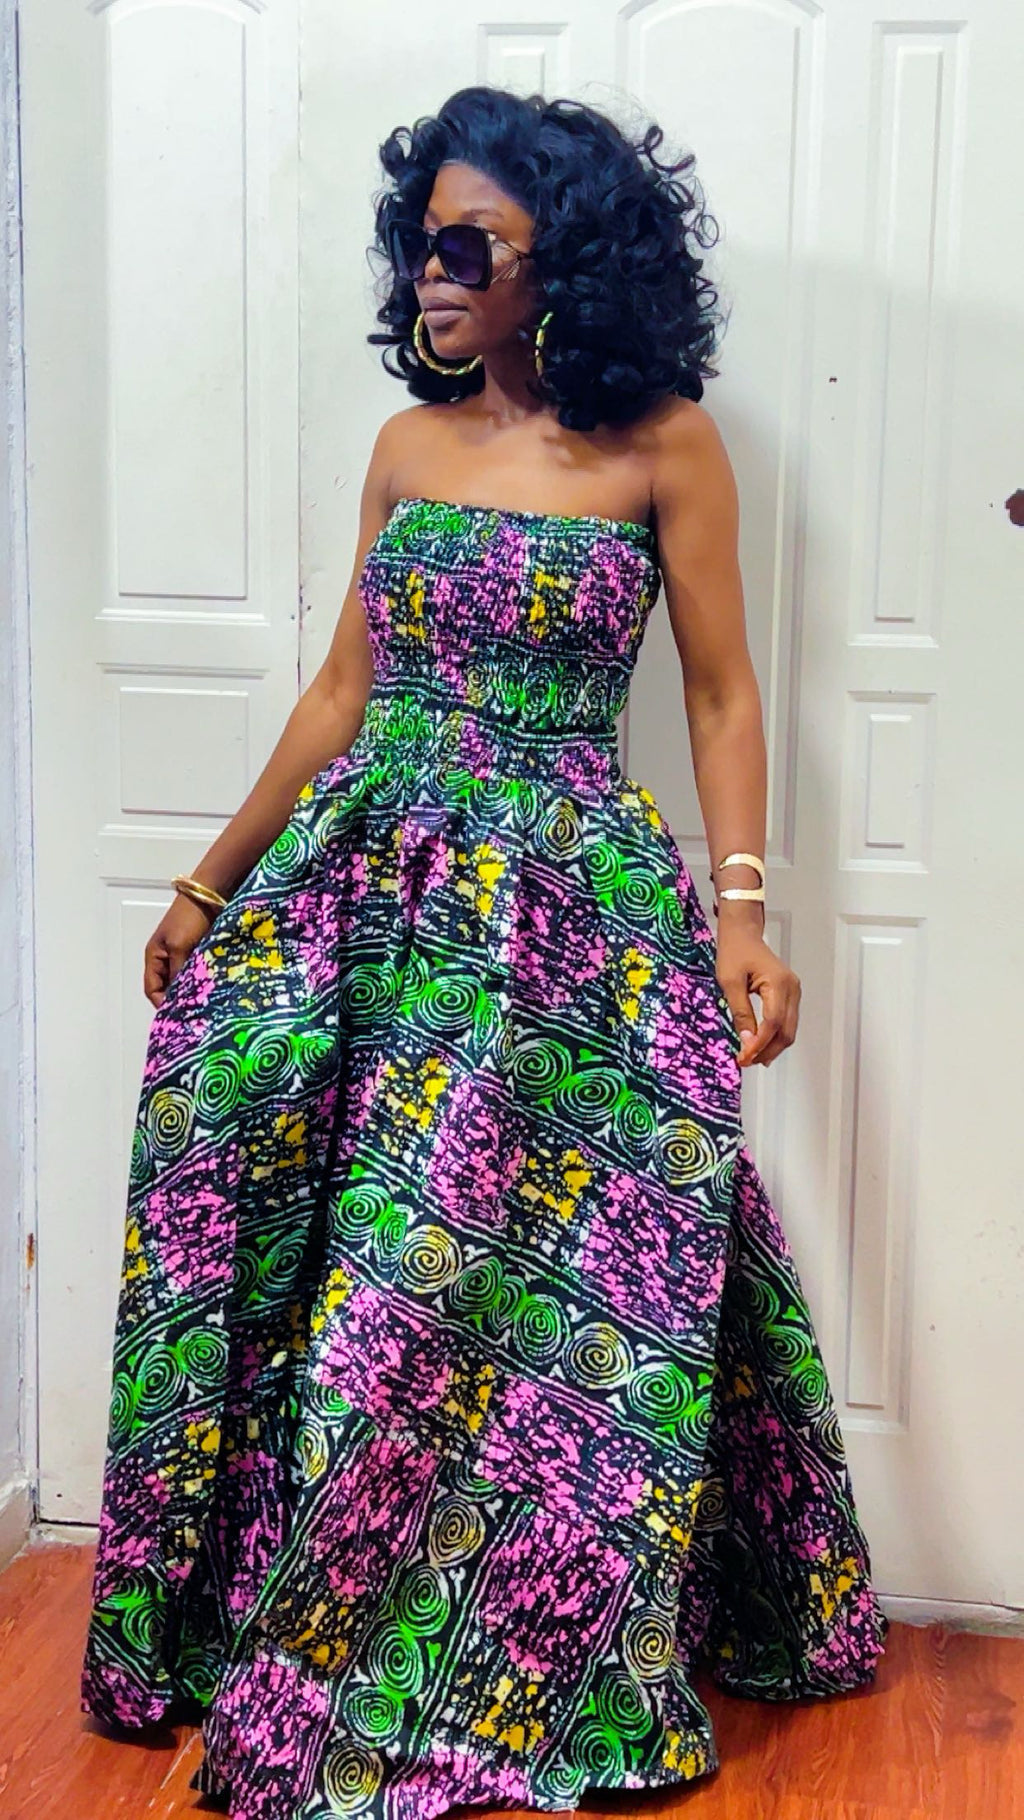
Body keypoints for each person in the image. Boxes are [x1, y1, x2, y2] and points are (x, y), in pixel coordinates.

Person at [80, 84, 888, 1820]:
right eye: (417, 242)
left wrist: (743, 911)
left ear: (563, 261)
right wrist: (210, 888)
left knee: (549, 1276)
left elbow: (726, 692)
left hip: (566, 916)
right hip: (375, 893)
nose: (428, 275)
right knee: (341, 1255)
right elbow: (343, 691)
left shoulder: (667, 442)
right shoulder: (407, 445)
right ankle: (301, 1633)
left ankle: (524, 1650)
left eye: (466, 246)